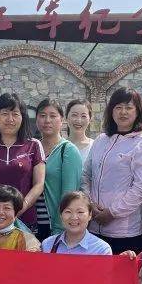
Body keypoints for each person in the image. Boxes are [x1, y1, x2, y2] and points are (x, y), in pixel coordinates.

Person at [82, 87, 142, 254]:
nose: (123, 112)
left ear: (138, 112)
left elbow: (141, 189)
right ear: (111, 111)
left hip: (125, 232)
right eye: (118, 107)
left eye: (129, 107)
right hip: (94, 225)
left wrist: (112, 212)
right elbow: (86, 175)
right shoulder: (101, 140)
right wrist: (91, 206)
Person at [0, 93, 46, 229]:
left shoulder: (34, 145)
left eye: (15, 114)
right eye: (5, 113)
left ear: (23, 118)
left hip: (24, 220)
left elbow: (39, 184)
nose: (10, 119)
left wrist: (20, 208)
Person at [36, 98, 83, 241]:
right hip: (29, 224)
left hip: (53, 227)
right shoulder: (32, 147)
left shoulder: (68, 150)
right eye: (42, 116)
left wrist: (58, 231)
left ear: (61, 120)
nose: (47, 120)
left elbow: (69, 195)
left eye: (53, 116)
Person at [40, 191, 112, 255]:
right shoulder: (48, 245)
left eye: (80, 212)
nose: (74, 217)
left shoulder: (101, 250)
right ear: (61, 215)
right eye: (68, 212)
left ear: (90, 215)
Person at [66, 99, 95, 164]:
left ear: (90, 119)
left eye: (83, 116)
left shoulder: (95, 146)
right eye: (74, 115)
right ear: (66, 118)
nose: (79, 120)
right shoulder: (59, 147)